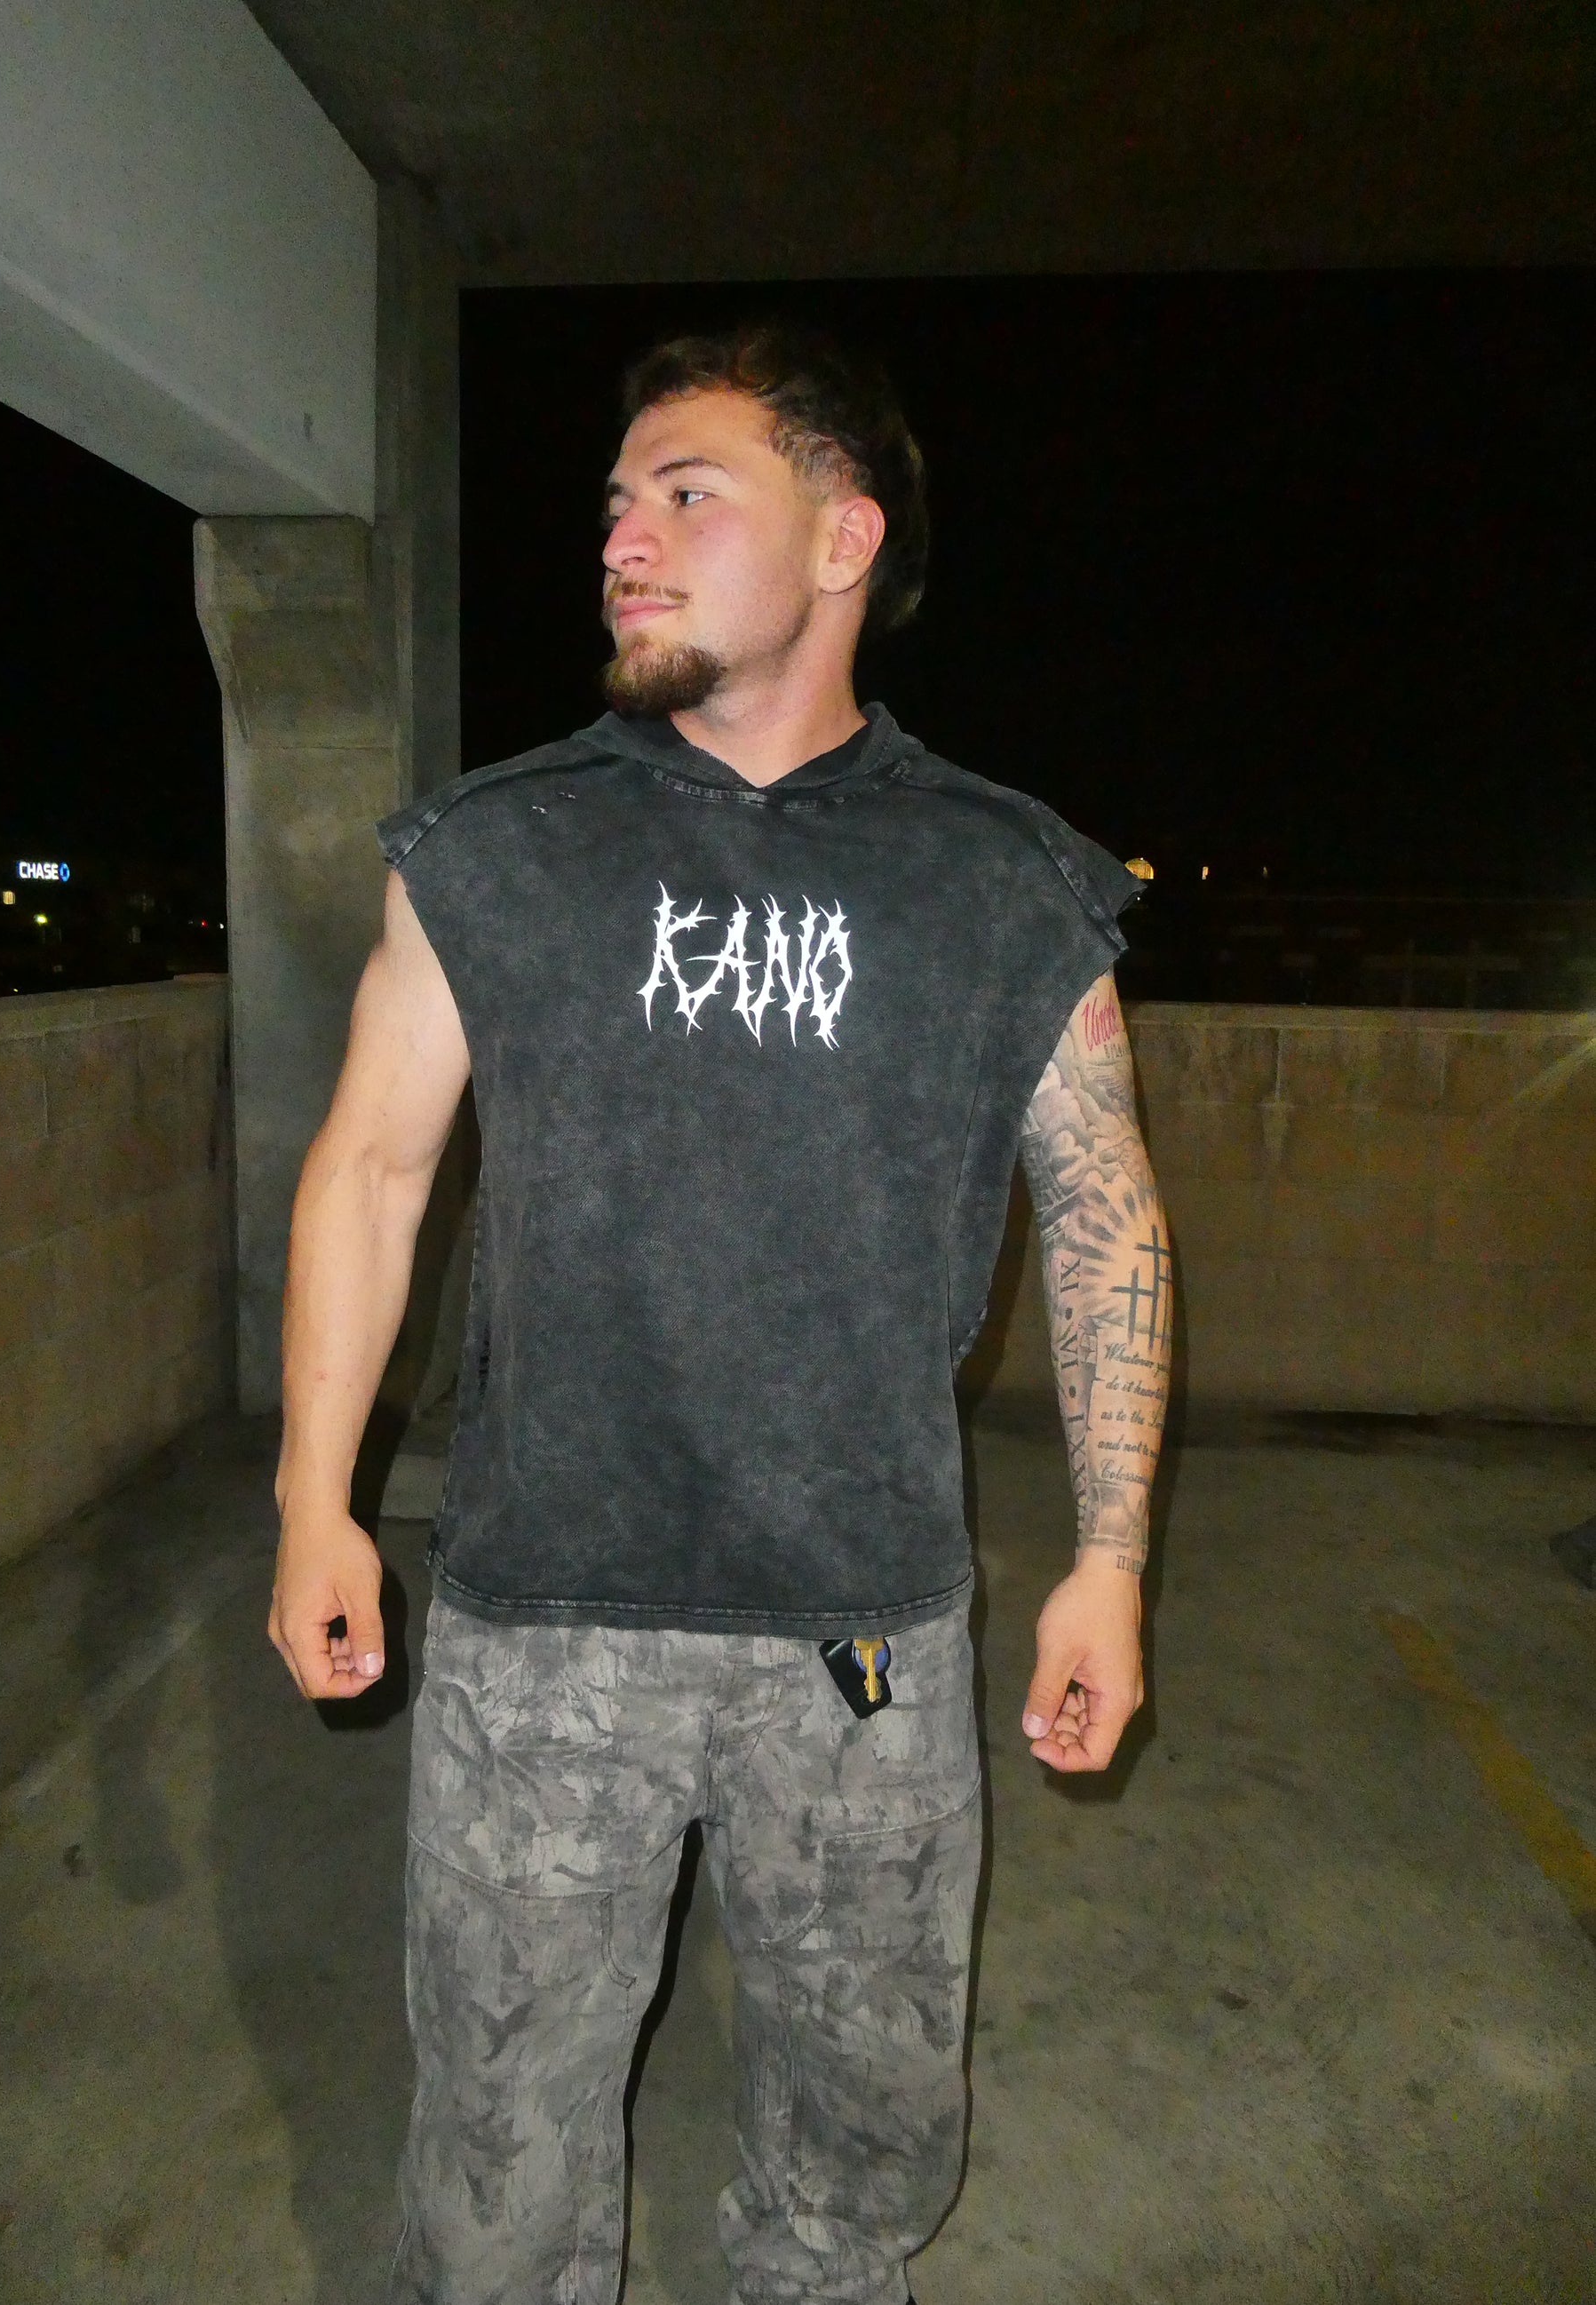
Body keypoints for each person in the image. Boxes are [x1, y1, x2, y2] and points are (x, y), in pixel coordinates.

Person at [267, 323, 1173, 2305]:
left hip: (859, 1630)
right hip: (542, 1625)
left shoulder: (1003, 880)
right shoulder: (495, 848)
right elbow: (372, 1168)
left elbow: (1105, 1219)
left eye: (688, 496)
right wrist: (311, 1498)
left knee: (860, 2155)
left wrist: (1109, 1560)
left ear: (844, 537)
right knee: (496, 2171)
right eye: (616, 504)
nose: (624, 540)